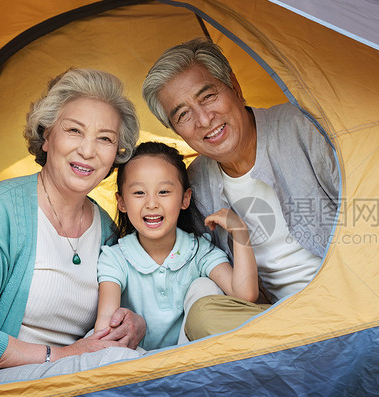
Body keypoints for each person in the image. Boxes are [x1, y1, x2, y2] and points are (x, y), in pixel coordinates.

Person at [0, 68, 145, 389]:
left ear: (116, 156)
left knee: (154, 363)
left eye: (105, 139)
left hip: (70, 381)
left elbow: (116, 322)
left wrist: (135, 323)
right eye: (74, 130)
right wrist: (63, 355)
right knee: (119, 369)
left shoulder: (107, 229)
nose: (88, 150)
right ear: (46, 136)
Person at [142, 38, 340, 340]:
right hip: (277, 322)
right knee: (204, 310)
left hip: (350, 300)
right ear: (174, 130)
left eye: (207, 96)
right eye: (183, 115)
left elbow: (375, 220)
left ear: (234, 86)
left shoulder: (303, 127)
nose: (204, 120)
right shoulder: (195, 185)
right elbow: (182, 260)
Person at [95, 142, 259, 349]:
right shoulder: (115, 258)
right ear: (122, 202)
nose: (151, 203)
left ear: (185, 198)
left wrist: (240, 232)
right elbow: (105, 327)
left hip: (189, 361)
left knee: (205, 286)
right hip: (135, 363)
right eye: (139, 193)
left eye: (163, 192)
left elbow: (245, 295)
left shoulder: (198, 251)